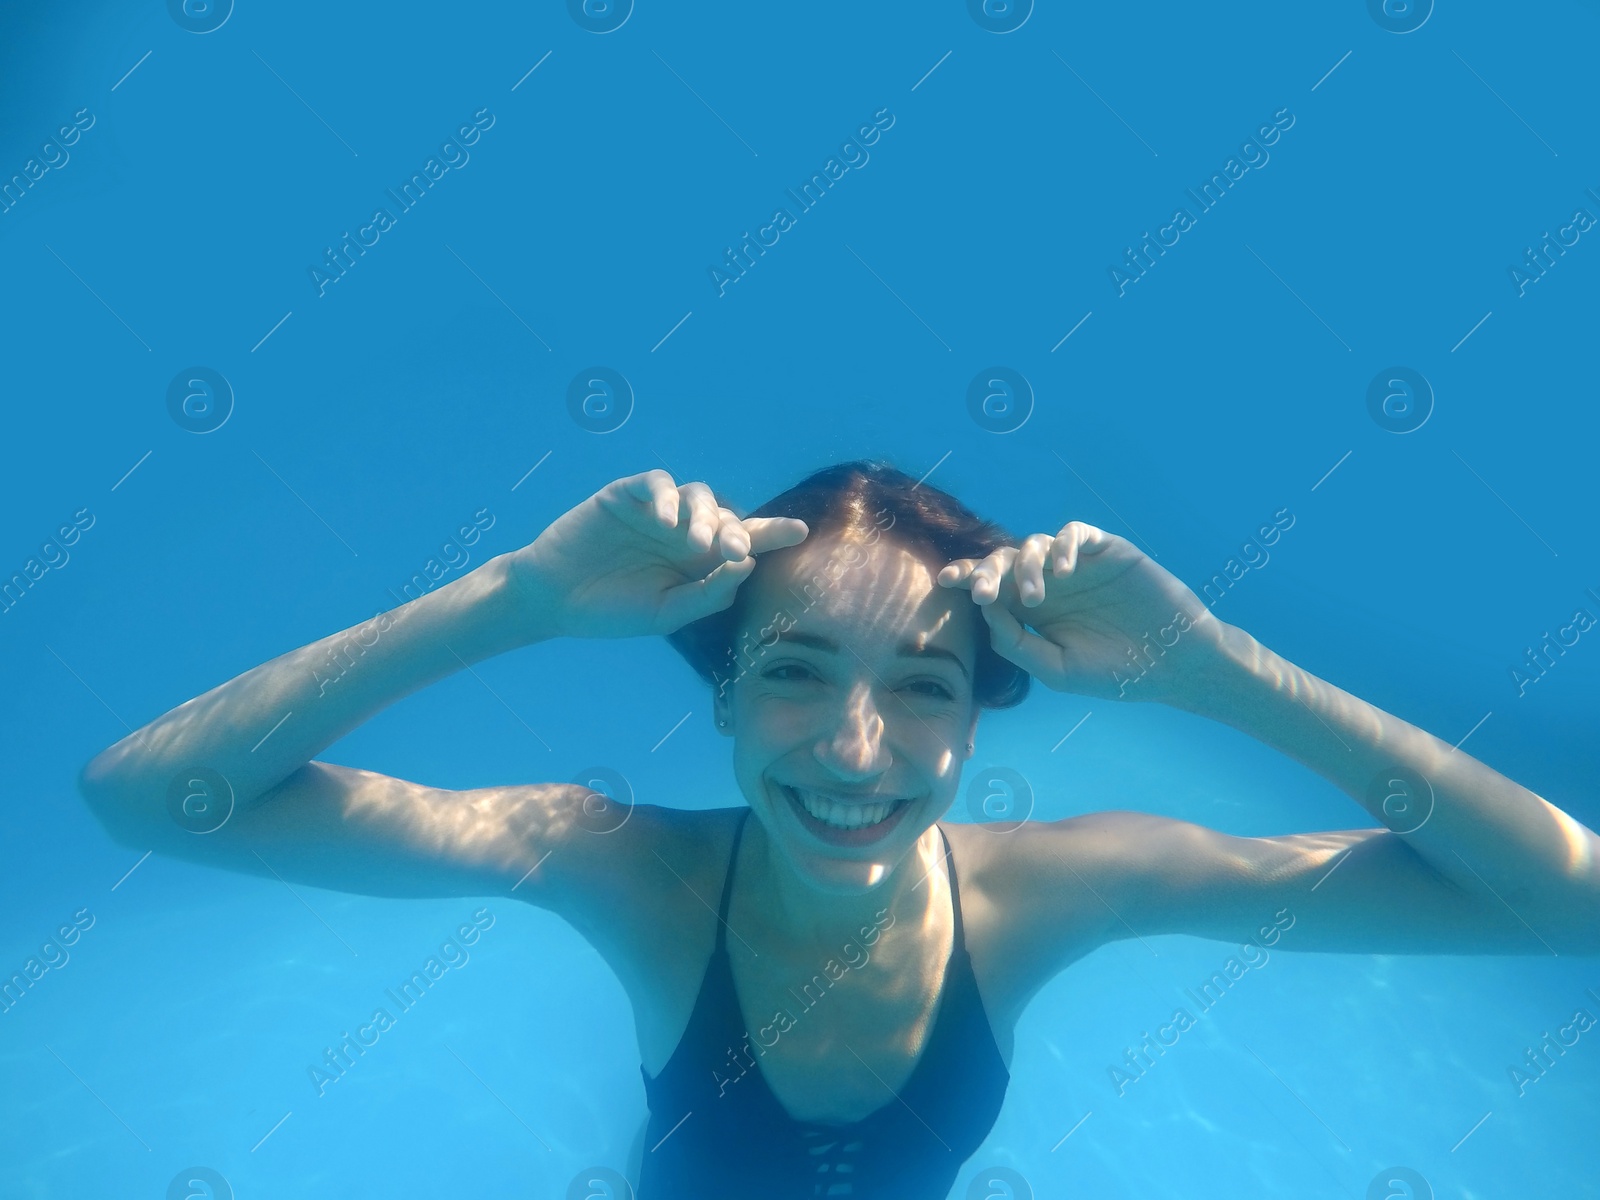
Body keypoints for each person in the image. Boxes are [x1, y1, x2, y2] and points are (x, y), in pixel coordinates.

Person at [77, 463, 1600, 1199]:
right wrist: (514, 599)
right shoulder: (620, 866)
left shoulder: (1055, 894)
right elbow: (146, 793)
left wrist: (1214, 668)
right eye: (796, 672)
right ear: (722, 702)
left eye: (925, 687)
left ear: (980, 719)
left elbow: (1567, 903)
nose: (858, 749)